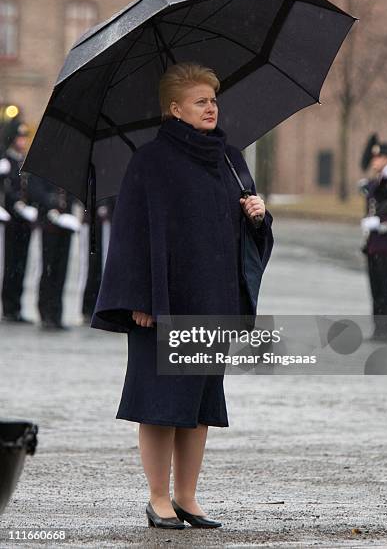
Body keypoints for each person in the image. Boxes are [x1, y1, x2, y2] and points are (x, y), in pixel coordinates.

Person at [91, 62, 273, 529]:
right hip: (162, 303)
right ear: (175, 109)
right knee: (159, 402)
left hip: (213, 299)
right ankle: (158, 499)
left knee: (197, 407)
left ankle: (188, 497)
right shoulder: (150, 161)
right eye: (200, 101)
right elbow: (130, 236)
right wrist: (141, 300)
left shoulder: (231, 158)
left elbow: (239, 233)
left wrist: (257, 216)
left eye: (213, 99)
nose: (211, 107)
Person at [28, 176, 80, 330]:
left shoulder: (69, 170)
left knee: (61, 270)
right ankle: (45, 312)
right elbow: (35, 190)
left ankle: (57, 313)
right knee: (49, 268)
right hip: (49, 224)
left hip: (66, 224)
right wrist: (52, 202)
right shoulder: (43, 167)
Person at [359, 133, 387, 341]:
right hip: (373, 245)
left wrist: (382, 223)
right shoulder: (374, 184)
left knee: (385, 290)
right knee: (375, 289)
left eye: (379, 157)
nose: (375, 161)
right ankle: (378, 328)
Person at [1, 124, 38, 323]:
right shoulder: (7, 162)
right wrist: (17, 205)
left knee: (22, 264)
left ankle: (17, 305)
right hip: (12, 220)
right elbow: (8, 190)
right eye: (20, 138)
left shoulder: (22, 162)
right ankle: (9, 306)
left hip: (25, 222)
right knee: (11, 263)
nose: (22, 142)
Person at [80, 197, 116, 324]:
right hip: (94, 220)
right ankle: (89, 307)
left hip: (112, 218)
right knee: (91, 266)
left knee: (108, 266)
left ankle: (106, 306)